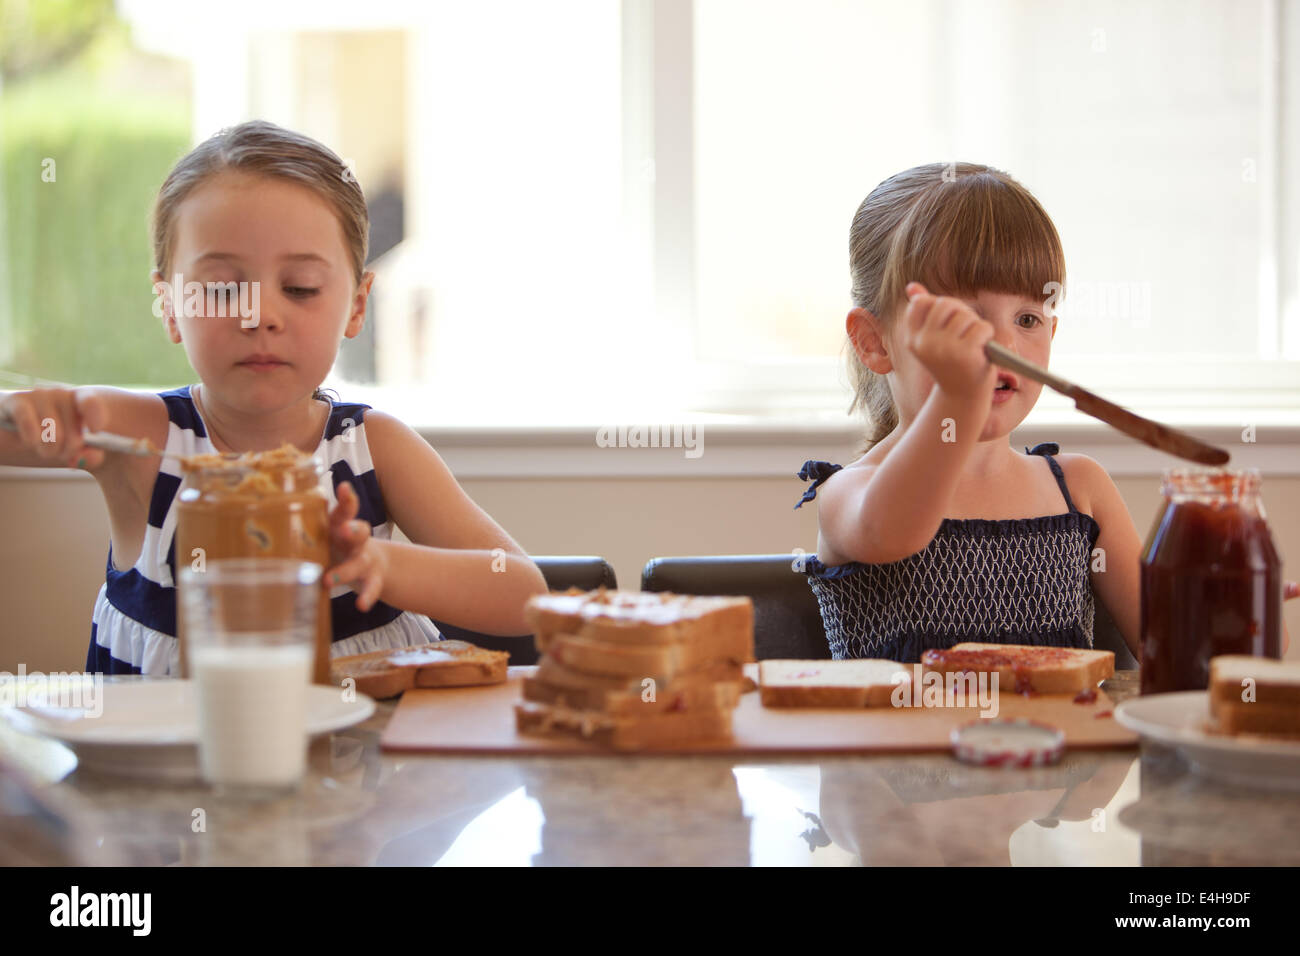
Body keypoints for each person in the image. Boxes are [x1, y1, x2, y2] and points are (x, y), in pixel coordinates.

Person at [0, 120, 548, 675]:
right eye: (220, 289)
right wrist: (36, 415)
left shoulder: (372, 449)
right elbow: (25, 430)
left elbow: (524, 593)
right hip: (153, 761)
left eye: (300, 288)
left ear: (357, 306)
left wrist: (378, 562)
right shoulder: (140, 435)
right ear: (168, 305)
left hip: (356, 761)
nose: (258, 315)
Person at [795, 162, 1146, 663]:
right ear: (874, 343)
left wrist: (1235, 625)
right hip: (899, 744)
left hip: (1061, 744)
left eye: (1027, 319)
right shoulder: (851, 493)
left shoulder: (1081, 490)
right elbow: (898, 529)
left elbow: (1178, 657)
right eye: (964, 324)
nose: (1004, 344)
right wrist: (960, 398)